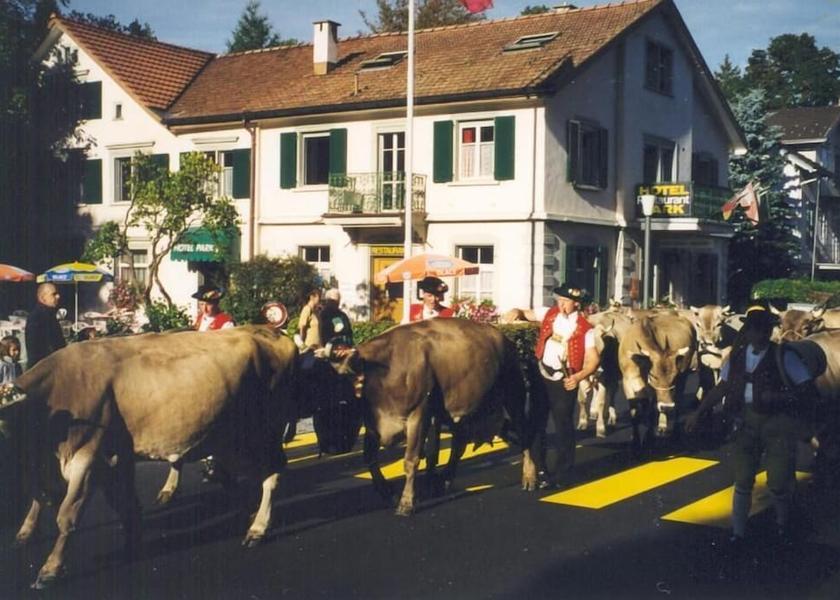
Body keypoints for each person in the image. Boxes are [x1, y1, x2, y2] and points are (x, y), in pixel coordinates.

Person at [685, 300, 816, 545]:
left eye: (765, 328)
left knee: (777, 481)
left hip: (776, 423)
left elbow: (806, 390)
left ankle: (783, 524)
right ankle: (738, 532)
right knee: (743, 479)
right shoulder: (736, 358)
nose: (760, 332)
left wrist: (778, 397)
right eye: (756, 328)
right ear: (749, 330)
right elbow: (722, 387)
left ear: (770, 330)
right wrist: (699, 412)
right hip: (744, 422)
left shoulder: (783, 356)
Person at [532, 283, 600, 490]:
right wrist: (515, 312)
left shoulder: (585, 329)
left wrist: (578, 377)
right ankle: (540, 469)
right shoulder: (549, 314)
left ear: (576, 304)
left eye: (565, 301)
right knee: (536, 423)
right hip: (542, 374)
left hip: (565, 379)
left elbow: (593, 359)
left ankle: (562, 474)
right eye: (558, 300)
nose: (560, 304)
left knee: (563, 426)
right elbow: (527, 313)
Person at [24, 283, 66, 369]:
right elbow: (34, 348)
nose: (58, 296)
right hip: (43, 369)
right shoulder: (36, 317)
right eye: (53, 294)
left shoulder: (50, 314)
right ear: (43, 298)